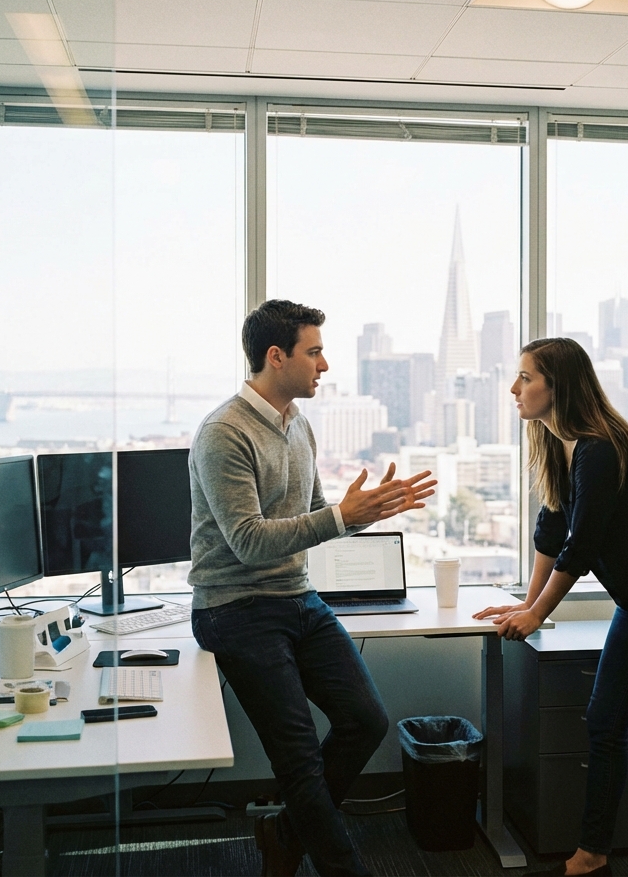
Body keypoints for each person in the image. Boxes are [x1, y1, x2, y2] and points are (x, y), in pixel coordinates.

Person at [189, 299, 436, 877]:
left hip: (296, 597)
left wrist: (367, 512)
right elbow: (249, 541)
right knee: (299, 760)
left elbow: (317, 514)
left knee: (367, 721)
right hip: (235, 606)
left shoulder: (298, 423)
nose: (325, 366)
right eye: (315, 352)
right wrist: (343, 517)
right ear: (276, 357)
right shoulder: (224, 432)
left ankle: (283, 832)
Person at [474, 337, 628, 877]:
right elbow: (552, 531)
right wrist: (526, 602)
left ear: (557, 386)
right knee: (604, 722)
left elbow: (581, 545)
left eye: (525, 378)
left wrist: (538, 614)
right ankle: (592, 852)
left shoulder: (599, 448)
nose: (513, 389)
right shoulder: (558, 447)